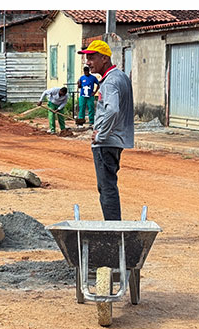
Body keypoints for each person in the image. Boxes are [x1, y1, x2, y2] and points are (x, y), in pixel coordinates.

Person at [81, 40, 133, 220]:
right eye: (87, 57)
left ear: (104, 58)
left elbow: (112, 109)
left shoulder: (110, 82)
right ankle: (114, 225)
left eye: (92, 57)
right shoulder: (121, 76)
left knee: (106, 187)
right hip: (116, 139)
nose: (87, 62)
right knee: (109, 184)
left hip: (107, 142)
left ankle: (113, 228)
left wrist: (101, 134)